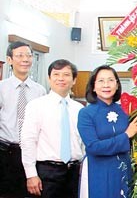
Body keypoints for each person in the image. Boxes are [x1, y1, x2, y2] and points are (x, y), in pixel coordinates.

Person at [21, 59, 85, 198]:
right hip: (47, 173)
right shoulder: (36, 105)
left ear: (74, 80)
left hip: (74, 173)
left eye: (66, 75)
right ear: (49, 79)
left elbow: (82, 142)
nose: (61, 78)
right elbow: (28, 141)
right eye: (56, 74)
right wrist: (31, 174)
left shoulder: (79, 109)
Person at [77, 65, 137, 198]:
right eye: (101, 81)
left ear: (117, 85)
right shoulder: (86, 113)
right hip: (97, 171)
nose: (106, 84)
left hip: (123, 169)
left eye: (111, 80)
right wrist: (126, 135)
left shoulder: (125, 109)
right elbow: (94, 147)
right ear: (93, 86)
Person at [0, 41, 46, 197]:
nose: (25, 59)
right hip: (5, 152)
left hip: (32, 152)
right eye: (20, 55)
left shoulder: (39, 90)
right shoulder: (1, 88)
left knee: (31, 193)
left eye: (28, 55)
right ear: (10, 60)